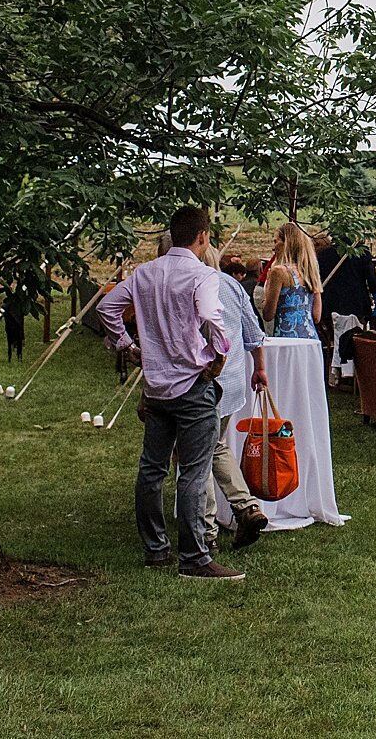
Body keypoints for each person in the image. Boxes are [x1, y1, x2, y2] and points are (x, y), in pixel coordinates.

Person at [97, 205, 243, 580]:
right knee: (193, 471)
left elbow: (107, 306)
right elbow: (212, 318)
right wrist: (220, 353)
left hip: (157, 386)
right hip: (192, 384)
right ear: (202, 236)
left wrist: (126, 346)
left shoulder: (144, 273)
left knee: (151, 468)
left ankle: (156, 549)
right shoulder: (203, 275)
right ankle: (195, 557)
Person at [201, 241, 269, 552]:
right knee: (215, 445)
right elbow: (253, 333)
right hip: (231, 381)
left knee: (197, 454)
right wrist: (260, 368)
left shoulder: (191, 286)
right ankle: (247, 508)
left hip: (205, 381)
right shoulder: (231, 284)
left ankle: (206, 532)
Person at [261, 222, 322, 340]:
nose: (273, 248)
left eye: (276, 241)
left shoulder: (279, 272)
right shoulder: (310, 272)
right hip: (310, 339)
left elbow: (268, 315)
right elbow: (316, 316)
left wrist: (267, 287)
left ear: (286, 243)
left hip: (287, 338)